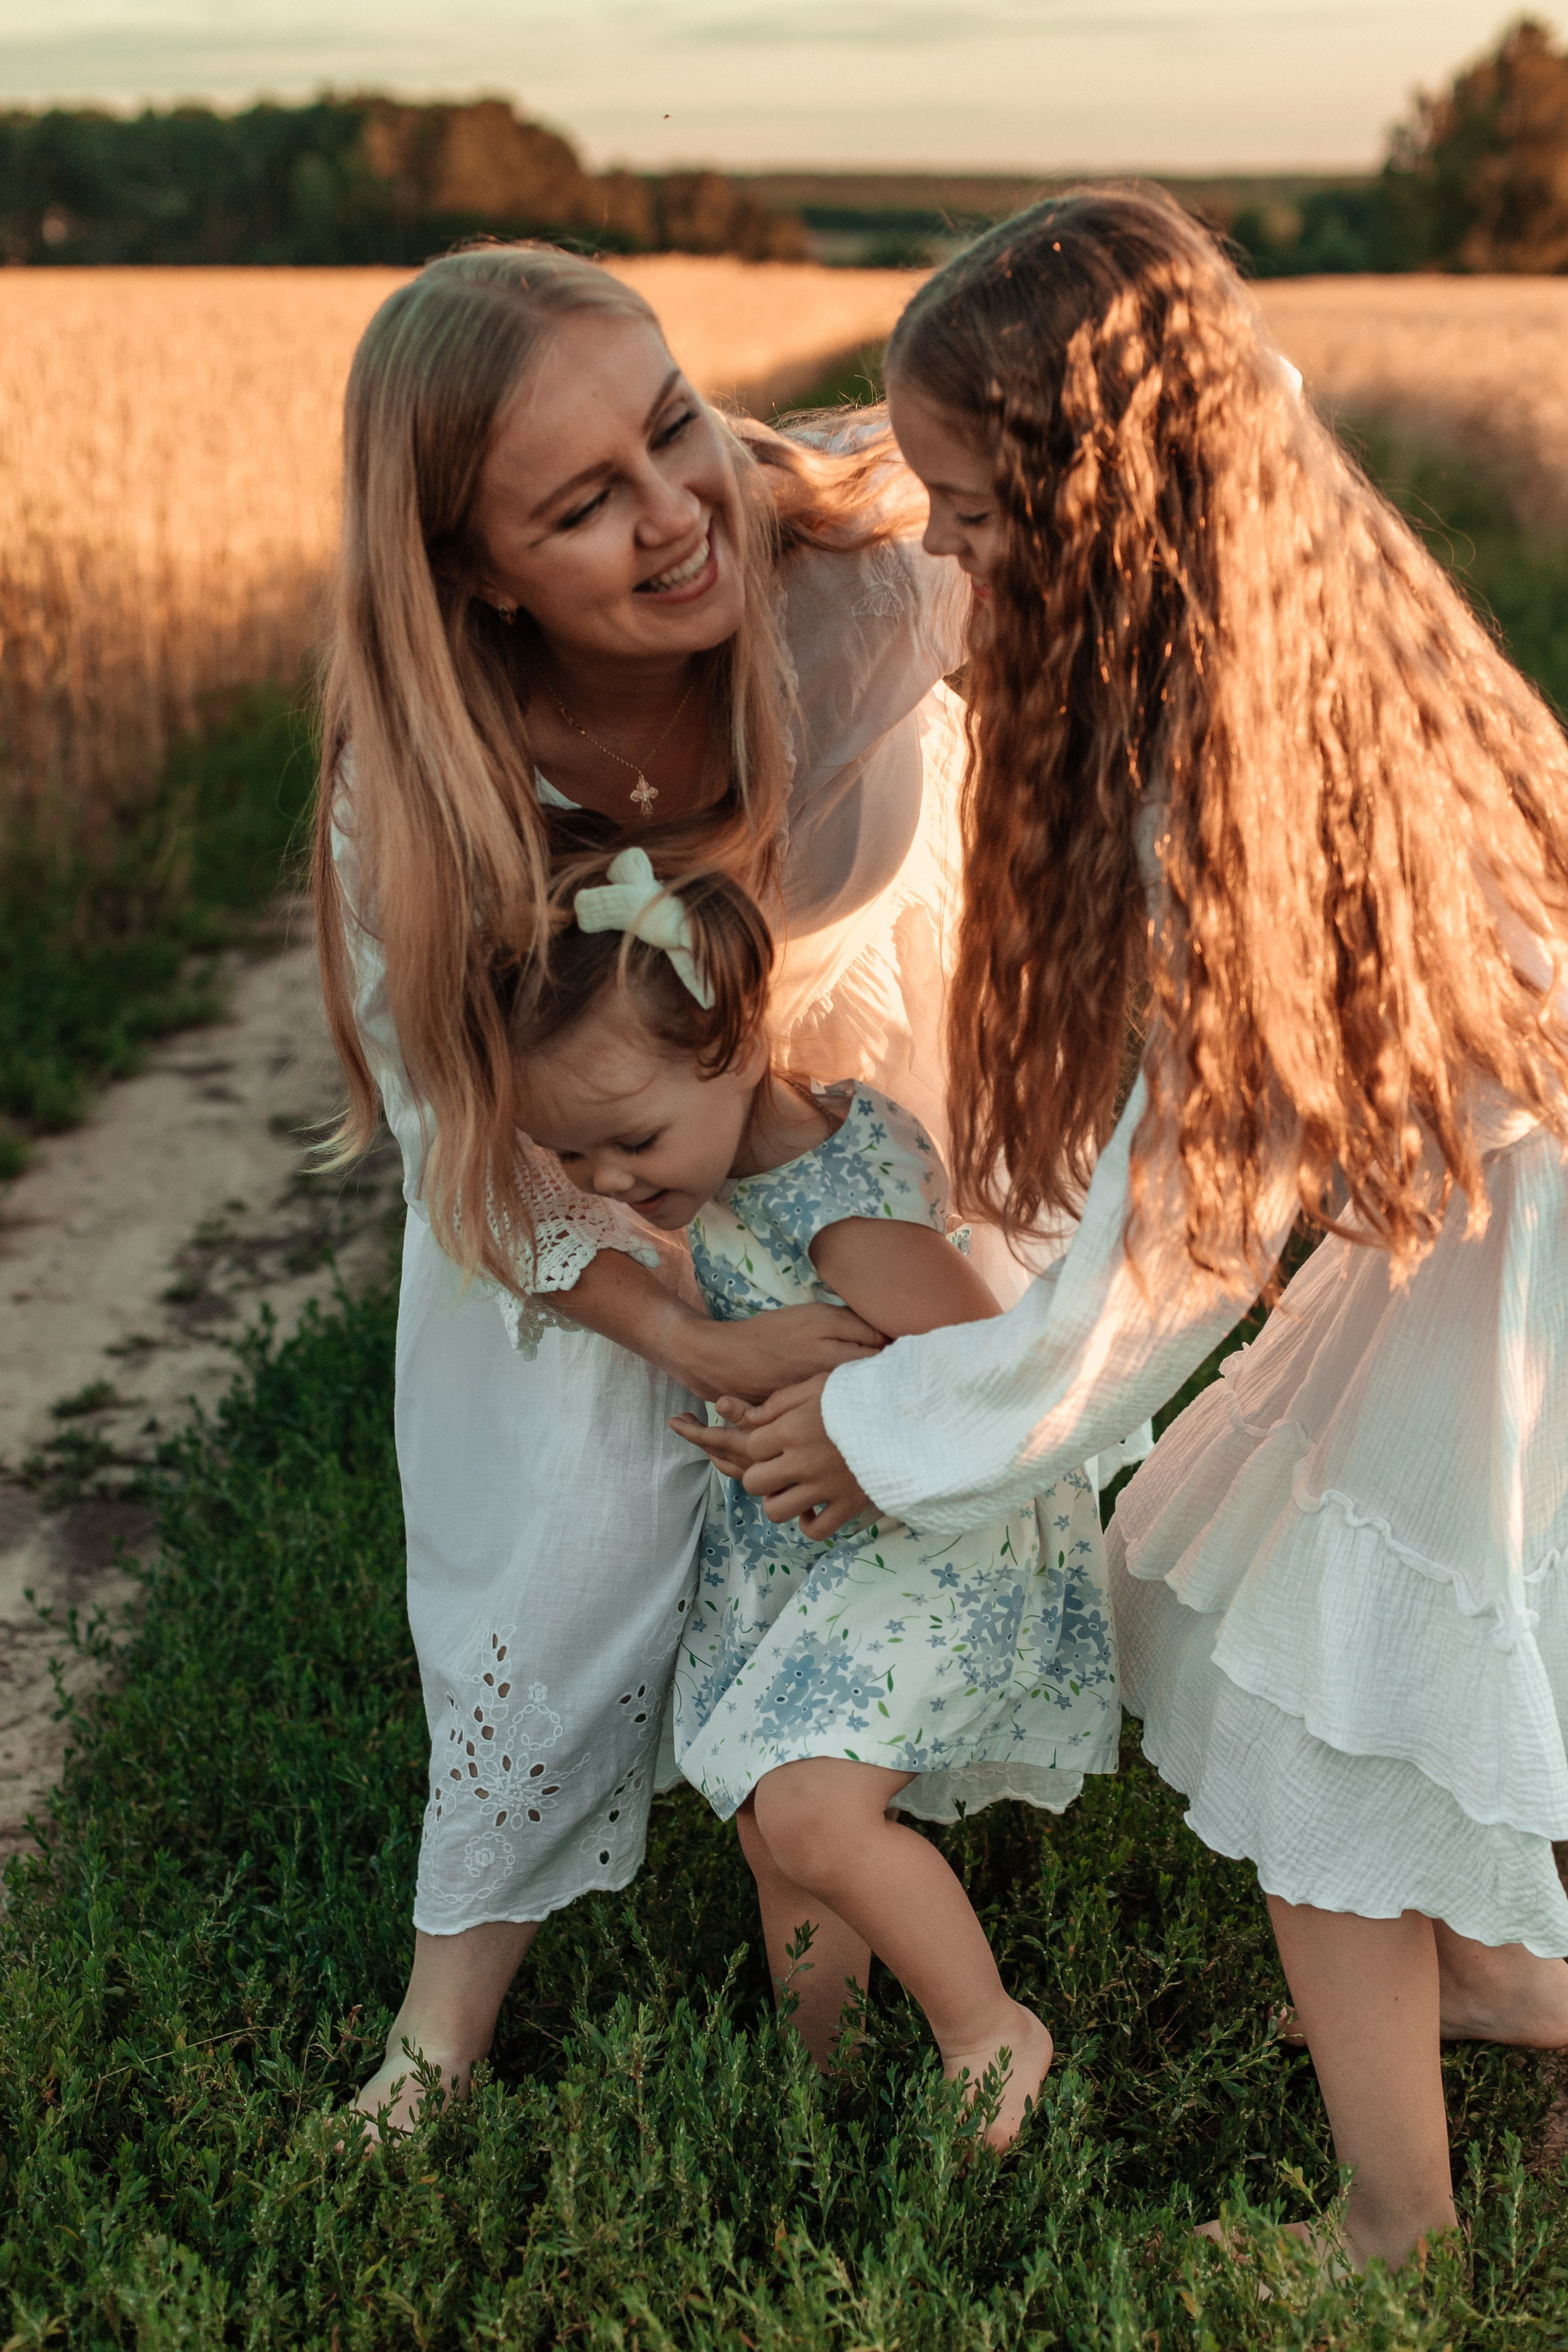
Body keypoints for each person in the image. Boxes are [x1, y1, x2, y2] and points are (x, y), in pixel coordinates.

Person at [712, 188, 1568, 2270]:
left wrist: (902, 1428)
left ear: (1104, 513)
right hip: (1499, 1220)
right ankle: (1492, 1993)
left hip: (1521, 1249)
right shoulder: (1291, 628)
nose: (945, 559)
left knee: (1312, 1694)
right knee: (1297, 1627)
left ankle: (1396, 2227)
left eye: (973, 517)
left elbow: (1171, 1247)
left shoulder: (1244, 779)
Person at [312, 243, 1129, 2131]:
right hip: (582, 1190)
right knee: (569, 1535)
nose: (677, 511)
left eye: (672, 427)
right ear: (474, 573)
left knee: (876, 1488)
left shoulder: (862, 570)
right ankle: (442, 2028)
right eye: (582, 506)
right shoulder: (423, 777)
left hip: (856, 1114)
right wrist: (692, 1333)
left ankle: (872, 1820)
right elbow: (457, 1132)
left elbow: (1166, 501)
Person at [508, 843, 1114, 2141]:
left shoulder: (842, 1208)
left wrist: (846, 1423)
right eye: (571, 1153)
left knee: (811, 1808)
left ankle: (988, 2033)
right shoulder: (736, 1166)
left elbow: (988, 1380)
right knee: (768, 1819)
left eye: (632, 1140)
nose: (607, 1183)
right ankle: (817, 2074)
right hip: (815, 1539)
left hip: (925, 1533)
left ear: (733, 1049)